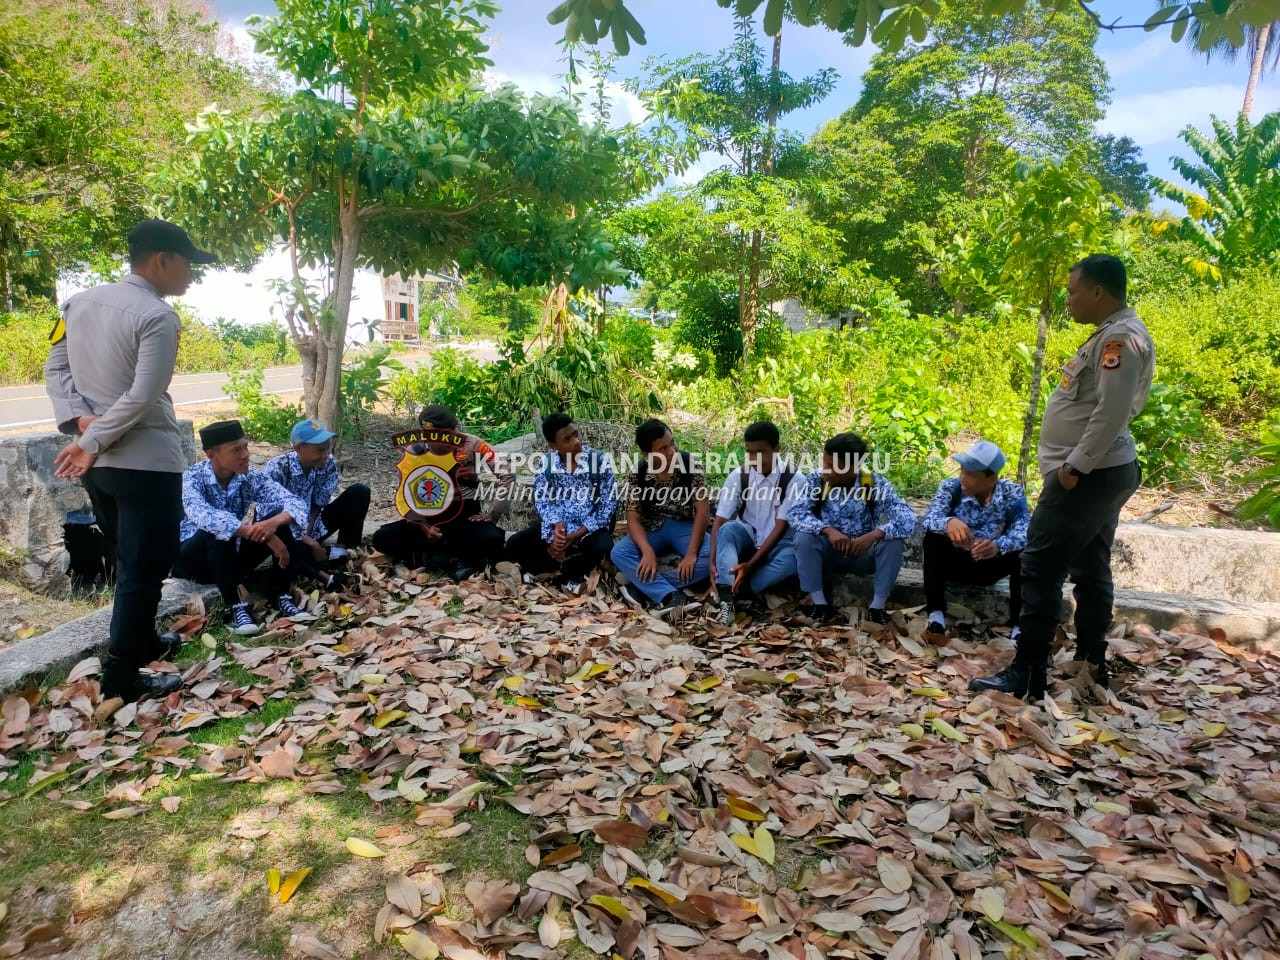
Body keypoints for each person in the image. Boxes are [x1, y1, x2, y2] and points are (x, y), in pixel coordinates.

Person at [44, 218, 217, 703]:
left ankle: (140, 642)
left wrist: (80, 422)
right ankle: (121, 677)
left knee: (129, 557)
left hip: (99, 466)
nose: (191, 275)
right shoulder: (157, 316)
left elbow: (55, 368)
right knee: (145, 567)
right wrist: (93, 438)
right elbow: (144, 394)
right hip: (143, 463)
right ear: (162, 260)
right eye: (188, 264)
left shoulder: (76, 304)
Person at [970, 254, 1154, 698]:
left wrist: (1074, 467)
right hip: (1100, 473)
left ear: (1097, 292)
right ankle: (1091, 661)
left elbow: (1111, 413)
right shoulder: (1109, 336)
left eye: (1073, 291)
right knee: (1091, 566)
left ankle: (1028, 671)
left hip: (1087, 475)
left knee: (1039, 566)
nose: (1068, 299)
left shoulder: (1120, 341)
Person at [175, 420, 313, 636]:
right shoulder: (192, 478)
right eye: (236, 450)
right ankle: (235, 607)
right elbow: (206, 517)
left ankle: (282, 596)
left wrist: (272, 524)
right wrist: (259, 534)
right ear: (211, 455)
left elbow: (295, 503)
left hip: (231, 557)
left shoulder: (248, 476)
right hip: (195, 561)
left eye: (246, 447)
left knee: (275, 519)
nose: (245, 455)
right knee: (220, 529)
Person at [787, 432, 919, 625]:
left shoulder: (873, 483)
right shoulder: (816, 481)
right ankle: (819, 603)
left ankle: (877, 607)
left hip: (863, 556)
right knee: (803, 538)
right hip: (828, 554)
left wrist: (874, 535)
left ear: (852, 468)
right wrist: (827, 530)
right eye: (824, 463)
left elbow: (908, 518)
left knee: (893, 543)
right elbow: (796, 514)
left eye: (831, 466)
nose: (825, 470)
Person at [370, 405, 513, 578]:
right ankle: (452, 557)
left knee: (492, 538)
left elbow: (507, 473)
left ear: (454, 431)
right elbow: (404, 495)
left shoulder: (473, 444)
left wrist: (494, 515)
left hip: (464, 516)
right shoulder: (414, 451)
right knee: (382, 537)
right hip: (427, 515)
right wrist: (423, 526)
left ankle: (437, 556)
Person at [920, 440, 1029, 642]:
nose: (963, 477)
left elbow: (1025, 531)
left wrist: (998, 546)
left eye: (970, 474)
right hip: (956, 562)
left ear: (991, 478)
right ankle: (936, 615)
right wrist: (949, 522)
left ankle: (1019, 626)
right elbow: (929, 519)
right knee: (933, 538)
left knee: (1024, 554)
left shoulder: (1011, 494)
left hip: (990, 564)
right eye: (962, 470)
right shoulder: (951, 489)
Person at [610, 418, 711, 619]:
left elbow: (703, 509)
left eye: (672, 443)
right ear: (647, 454)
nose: (671, 451)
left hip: (683, 526)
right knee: (619, 553)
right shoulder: (638, 473)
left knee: (713, 555)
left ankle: (643, 588)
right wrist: (647, 551)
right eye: (663, 448)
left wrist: (691, 554)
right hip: (652, 529)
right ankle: (670, 595)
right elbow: (633, 516)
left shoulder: (690, 464)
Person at [505, 413, 616, 593]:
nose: (576, 441)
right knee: (514, 544)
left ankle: (564, 572)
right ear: (553, 446)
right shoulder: (547, 465)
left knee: (603, 547)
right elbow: (543, 501)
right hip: (560, 526)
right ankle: (556, 568)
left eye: (576, 434)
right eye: (567, 439)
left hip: (590, 527)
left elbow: (607, 505)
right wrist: (556, 528)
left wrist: (578, 534)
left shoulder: (598, 461)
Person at [707, 421, 802, 627]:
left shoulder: (794, 479)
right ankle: (727, 601)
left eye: (761, 452)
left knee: (793, 560)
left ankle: (738, 587)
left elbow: (780, 526)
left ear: (777, 450)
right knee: (727, 530)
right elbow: (720, 519)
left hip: (779, 544)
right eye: (750, 453)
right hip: (748, 535)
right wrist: (711, 563)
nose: (754, 459)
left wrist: (751, 565)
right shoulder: (740, 476)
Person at [263, 418, 371, 567]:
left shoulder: (328, 463)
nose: (326, 454)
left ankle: (341, 551)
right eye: (320, 450)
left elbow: (318, 503)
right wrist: (309, 542)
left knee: (360, 492)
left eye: (327, 448)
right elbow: (268, 516)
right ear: (299, 448)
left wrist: (309, 531)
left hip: (312, 525)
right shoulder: (277, 469)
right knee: (295, 553)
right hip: (285, 532)